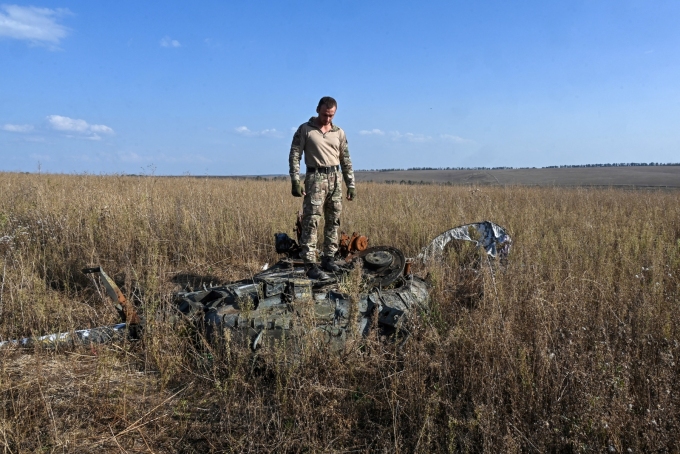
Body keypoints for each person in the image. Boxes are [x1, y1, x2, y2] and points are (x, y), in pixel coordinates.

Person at [289, 96, 356, 279]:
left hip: (335, 179)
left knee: (333, 220)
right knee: (312, 221)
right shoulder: (305, 129)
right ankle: (310, 264)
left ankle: (329, 258)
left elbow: (346, 160)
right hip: (315, 178)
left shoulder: (339, 132)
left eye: (331, 115)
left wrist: (350, 185)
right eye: (325, 114)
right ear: (318, 109)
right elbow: (295, 155)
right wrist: (295, 180)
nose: (328, 119)